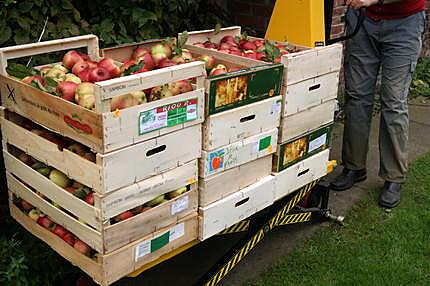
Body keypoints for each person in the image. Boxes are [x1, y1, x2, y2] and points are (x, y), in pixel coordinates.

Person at [331, 0, 427, 208]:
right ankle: (354, 167)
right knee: (357, 96)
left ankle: (393, 177)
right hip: (363, 20)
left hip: (405, 23)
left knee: (393, 101)